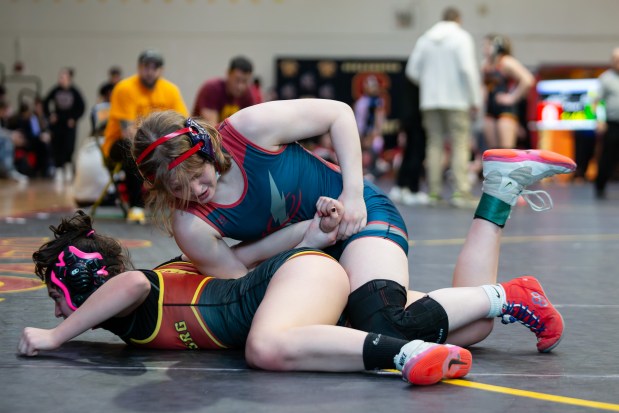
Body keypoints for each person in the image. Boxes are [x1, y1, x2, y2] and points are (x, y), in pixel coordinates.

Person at [131, 99, 575, 353]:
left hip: (361, 220)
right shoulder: (189, 224)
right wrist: (305, 237)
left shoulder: (247, 129)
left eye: (195, 175)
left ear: (205, 146)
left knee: (386, 322)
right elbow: (240, 278)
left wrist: (353, 194)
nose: (195, 191)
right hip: (310, 258)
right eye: (177, 188)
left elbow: (339, 114)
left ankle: (512, 295)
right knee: (473, 327)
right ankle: (498, 193)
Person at [18, 209, 473, 386]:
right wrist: (310, 233)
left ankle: (407, 355)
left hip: (297, 278)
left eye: (59, 297)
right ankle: (502, 299)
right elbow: (247, 255)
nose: (58, 309)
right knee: (452, 322)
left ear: (85, 285)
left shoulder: (140, 287)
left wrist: (56, 336)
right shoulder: (173, 271)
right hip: (301, 288)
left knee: (264, 349)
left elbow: (130, 285)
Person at [405, 7, 482, 208]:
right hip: (456, 100)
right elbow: (468, 70)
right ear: (458, 19)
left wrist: (428, 83)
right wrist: (475, 99)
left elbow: (411, 70)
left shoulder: (425, 39)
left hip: (429, 101)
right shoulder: (461, 37)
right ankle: (460, 192)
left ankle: (434, 192)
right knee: (459, 144)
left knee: (434, 144)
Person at [103, 49, 188, 224]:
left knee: (184, 146)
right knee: (131, 149)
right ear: (139, 68)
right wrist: (156, 147)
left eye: (154, 67)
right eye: (145, 67)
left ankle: (183, 201)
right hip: (119, 143)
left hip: (159, 143)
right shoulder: (124, 88)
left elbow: (182, 123)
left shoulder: (171, 90)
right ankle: (136, 206)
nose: (149, 71)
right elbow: (128, 131)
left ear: (161, 70)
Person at [481, 34, 535, 150]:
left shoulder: (506, 62)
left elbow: (528, 79)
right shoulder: (485, 65)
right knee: (492, 152)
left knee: (506, 152)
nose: (484, 49)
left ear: (497, 47)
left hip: (506, 111)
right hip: (490, 110)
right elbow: (484, 86)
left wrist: (512, 97)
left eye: (487, 46)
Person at [388, 78, 429, 206]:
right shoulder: (419, 77)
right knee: (416, 152)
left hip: (410, 114)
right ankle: (412, 190)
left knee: (410, 151)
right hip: (415, 115)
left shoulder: (412, 75)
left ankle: (401, 186)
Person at [43, 67, 86, 182]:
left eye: (63, 77)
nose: (61, 79)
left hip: (69, 125)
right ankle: (58, 169)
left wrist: (74, 119)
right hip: (57, 124)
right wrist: (50, 115)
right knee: (57, 146)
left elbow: (82, 107)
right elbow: (45, 102)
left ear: (69, 78)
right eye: (60, 77)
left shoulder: (75, 92)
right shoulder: (56, 90)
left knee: (69, 146)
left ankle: (67, 167)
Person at [192, 55, 256, 125]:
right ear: (228, 73)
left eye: (245, 81)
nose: (240, 86)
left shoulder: (247, 94)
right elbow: (212, 128)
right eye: (237, 80)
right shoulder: (212, 89)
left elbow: (251, 124)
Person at [594, 47, 619, 200]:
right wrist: (600, 120)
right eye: (616, 59)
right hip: (613, 124)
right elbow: (597, 102)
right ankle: (600, 186)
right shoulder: (606, 78)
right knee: (608, 157)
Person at [353, 75, 387, 181]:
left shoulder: (379, 102)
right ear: (365, 87)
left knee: (378, 142)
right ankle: (362, 170)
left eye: (375, 86)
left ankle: (372, 169)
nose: (373, 89)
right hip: (361, 135)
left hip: (373, 136)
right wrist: (362, 138)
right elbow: (359, 123)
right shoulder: (361, 103)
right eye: (371, 86)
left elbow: (379, 123)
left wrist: (373, 135)